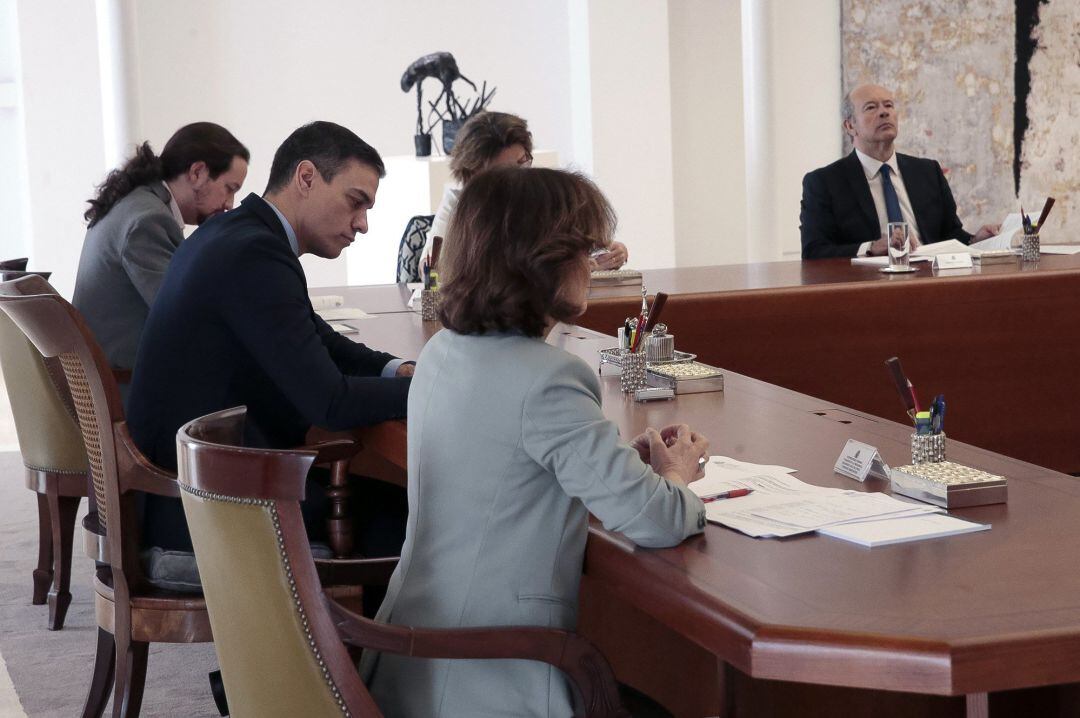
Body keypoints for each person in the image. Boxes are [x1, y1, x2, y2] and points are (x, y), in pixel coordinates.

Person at [362, 167, 708, 717]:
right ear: (543, 261)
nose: (593, 263)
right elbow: (658, 520)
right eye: (585, 248)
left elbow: (505, 466)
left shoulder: (441, 352)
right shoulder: (551, 377)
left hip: (411, 658)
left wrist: (615, 462)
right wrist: (678, 475)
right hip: (495, 672)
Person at [126, 121, 413, 566]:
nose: (363, 225)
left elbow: (321, 338)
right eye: (356, 202)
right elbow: (330, 403)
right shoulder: (253, 253)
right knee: (416, 524)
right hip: (203, 513)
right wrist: (436, 388)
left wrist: (396, 370)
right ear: (306, 178)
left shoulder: (240, 236)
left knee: (397, 506)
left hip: (193, 487)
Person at [73, 123, 249, 375]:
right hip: (129, 388)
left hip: (116, 381)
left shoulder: (137, 203)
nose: (229, 204)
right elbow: (189, 319)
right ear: (197, 172)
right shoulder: (148, 221)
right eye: (229, 189)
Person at [800, 83, 999, 259]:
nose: (884, 112)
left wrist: (975, 240)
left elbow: (950, 234)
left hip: (931, 282)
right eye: (871, 107)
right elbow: (814, 251)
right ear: (850, 126)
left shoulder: (927, 171)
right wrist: (870, 248)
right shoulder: (824, 182)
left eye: (888, 105)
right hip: (868, 288)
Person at [427, 110, 630, 270]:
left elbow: (571, 246)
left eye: (522, 163)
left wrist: (606, 252)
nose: (519, 178)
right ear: (474, 173)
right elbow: (436, 268)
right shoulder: (457, 203)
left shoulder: (536, 196)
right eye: (505, 172)